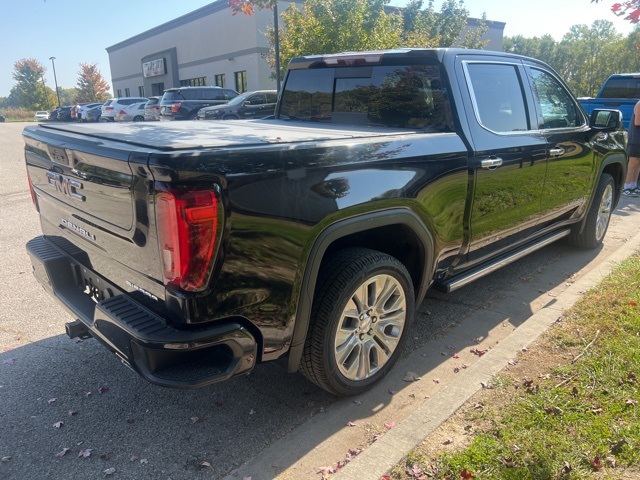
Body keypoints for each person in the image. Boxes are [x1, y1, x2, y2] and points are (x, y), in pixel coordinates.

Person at [623, 100, 640, 197]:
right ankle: (626, 187)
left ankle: (633, 186)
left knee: (639, 164)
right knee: (633, 162)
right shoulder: (639, 104)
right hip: (636, 138)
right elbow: (637, 122)